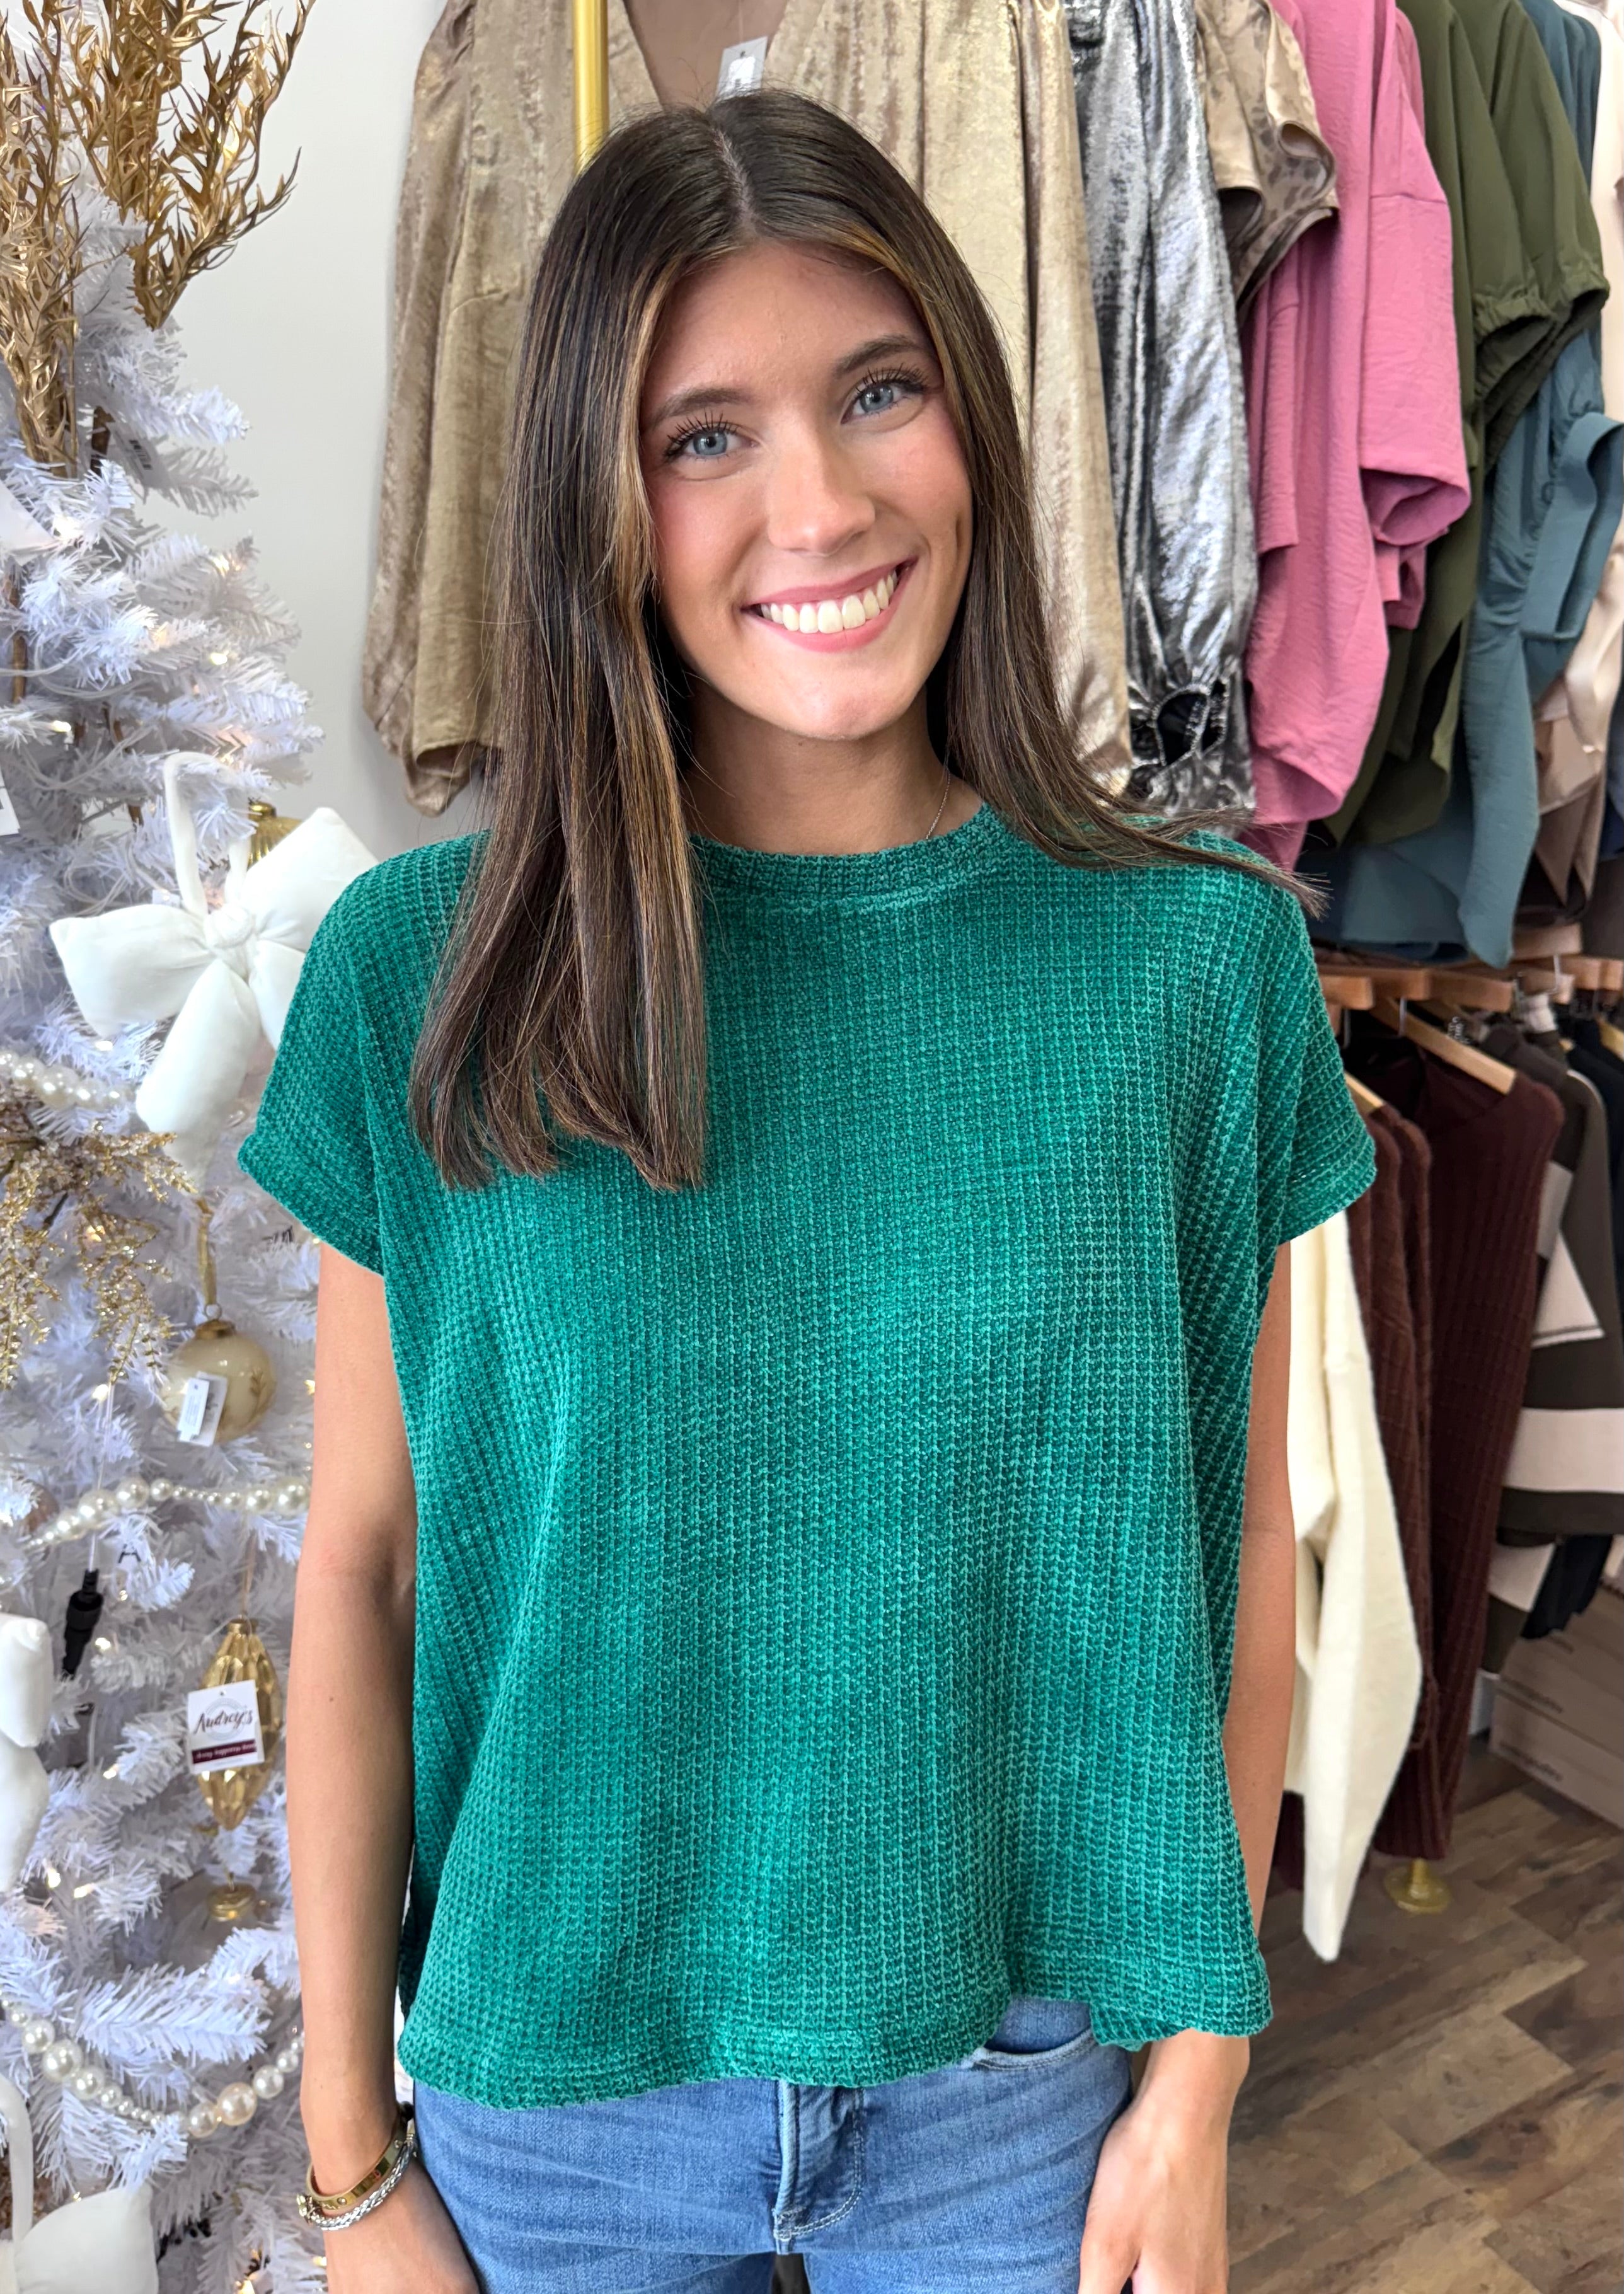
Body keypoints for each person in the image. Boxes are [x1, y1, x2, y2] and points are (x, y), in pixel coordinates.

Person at [238, 89, 1374, 2294]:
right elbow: (359, 1575)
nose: (823, 505)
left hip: (1016, 2098)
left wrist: (1197, 2086)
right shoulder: (425, 970)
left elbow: (1241, 1547)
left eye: (878, 393)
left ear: (976, 423)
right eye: (704, 437)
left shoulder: (1185, 966)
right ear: (595, 498)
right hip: (548, 2105)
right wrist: (348, 2164)